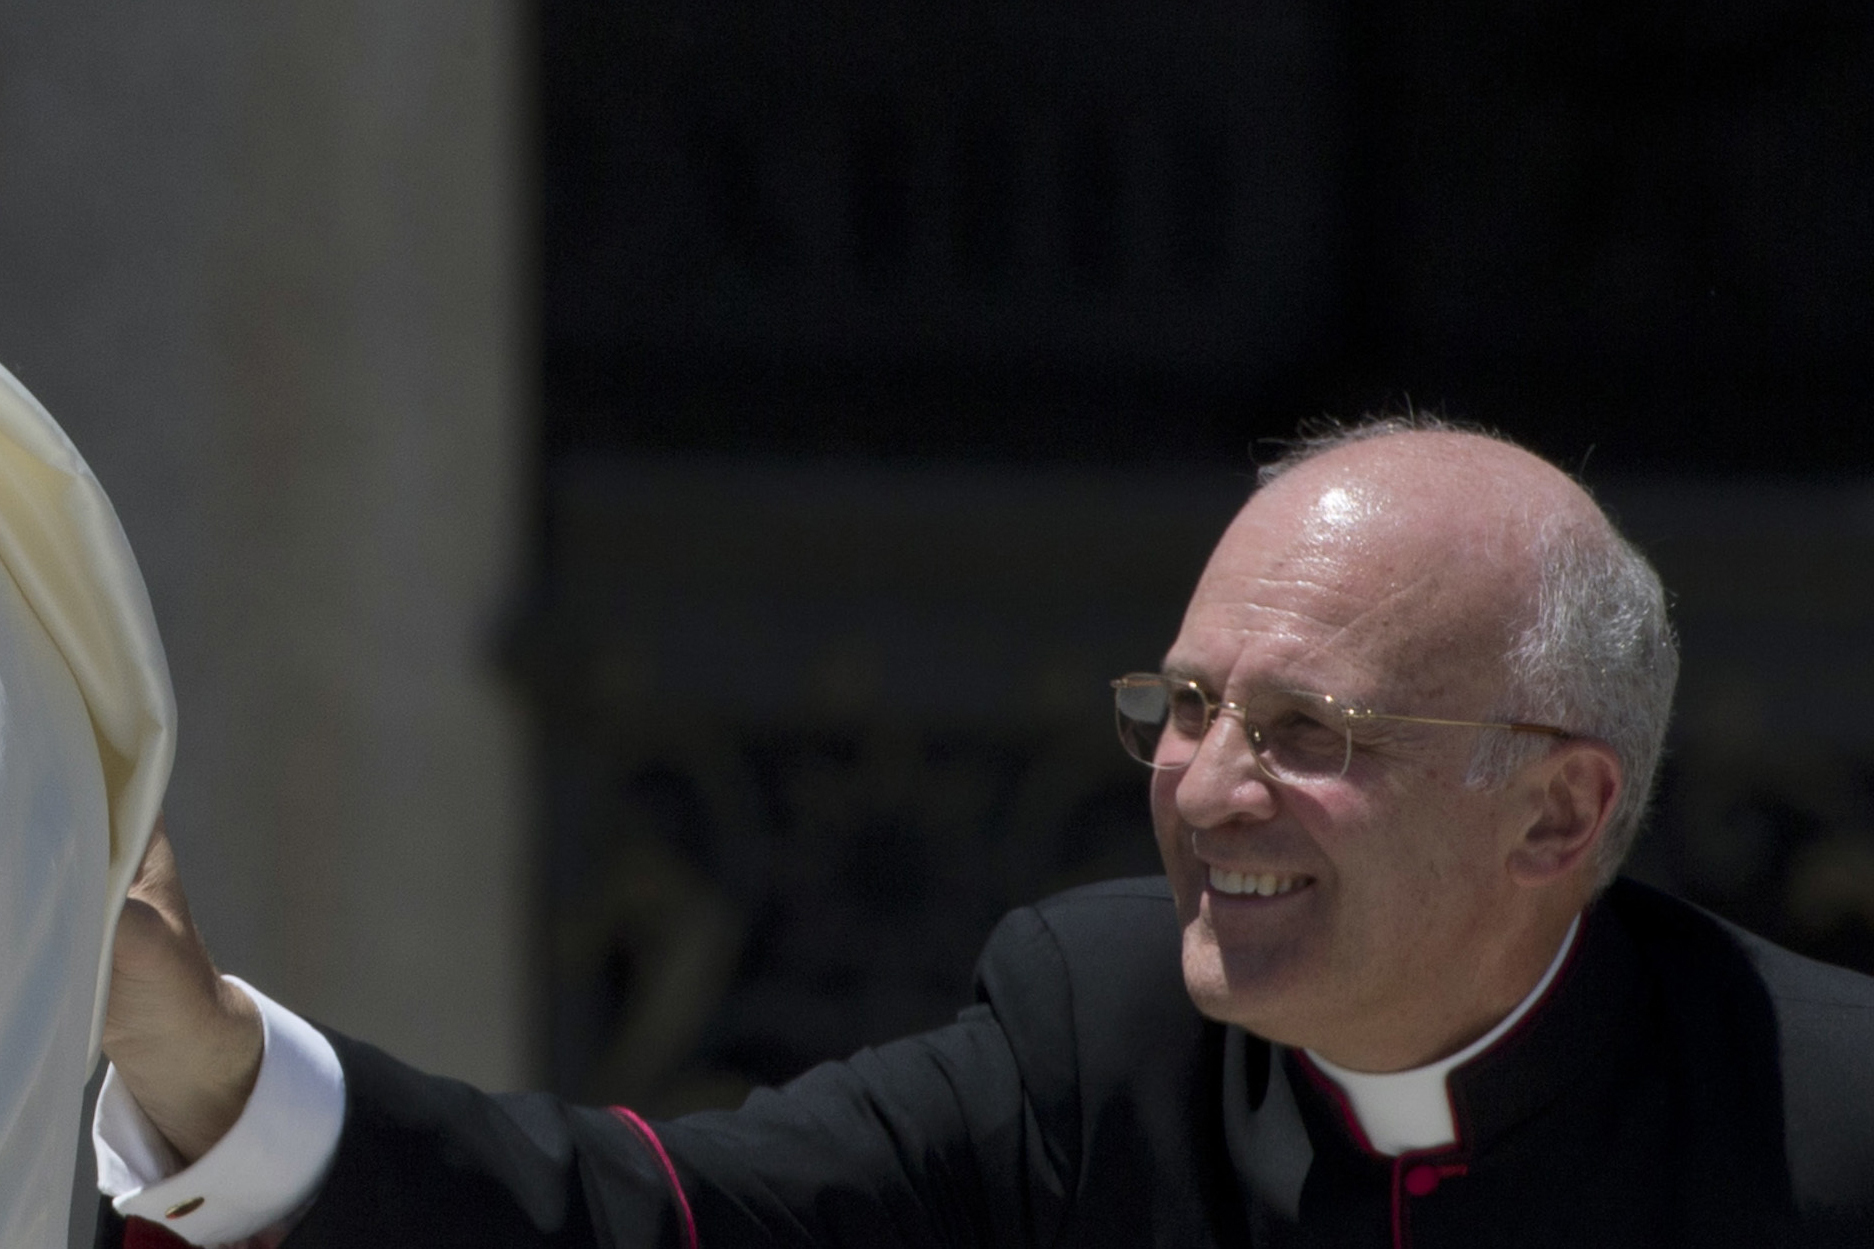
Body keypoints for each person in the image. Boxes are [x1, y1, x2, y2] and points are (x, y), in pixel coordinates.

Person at [96, 419, 1874, 1248]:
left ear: (1555, 810)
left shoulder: (1828, 1125)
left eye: (1307, 732)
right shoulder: (1096, 1040)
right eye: (1181, 708)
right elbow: (644, 1217)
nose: (1202, 785)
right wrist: (219, 1072)